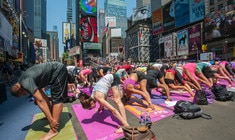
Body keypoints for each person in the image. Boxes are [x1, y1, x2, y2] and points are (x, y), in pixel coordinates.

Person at [10, 62, 79, 140]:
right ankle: (53, 116)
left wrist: (51, 120)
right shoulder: (22, 81)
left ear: (19, 90)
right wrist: (49, 115)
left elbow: (41, 101)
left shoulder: (25, 82)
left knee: (57, 98)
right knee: (48, 98)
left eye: (23, 94)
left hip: (58, 70)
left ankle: (54, 130)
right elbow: (43, 97)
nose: (25, 94)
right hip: (53, 73)